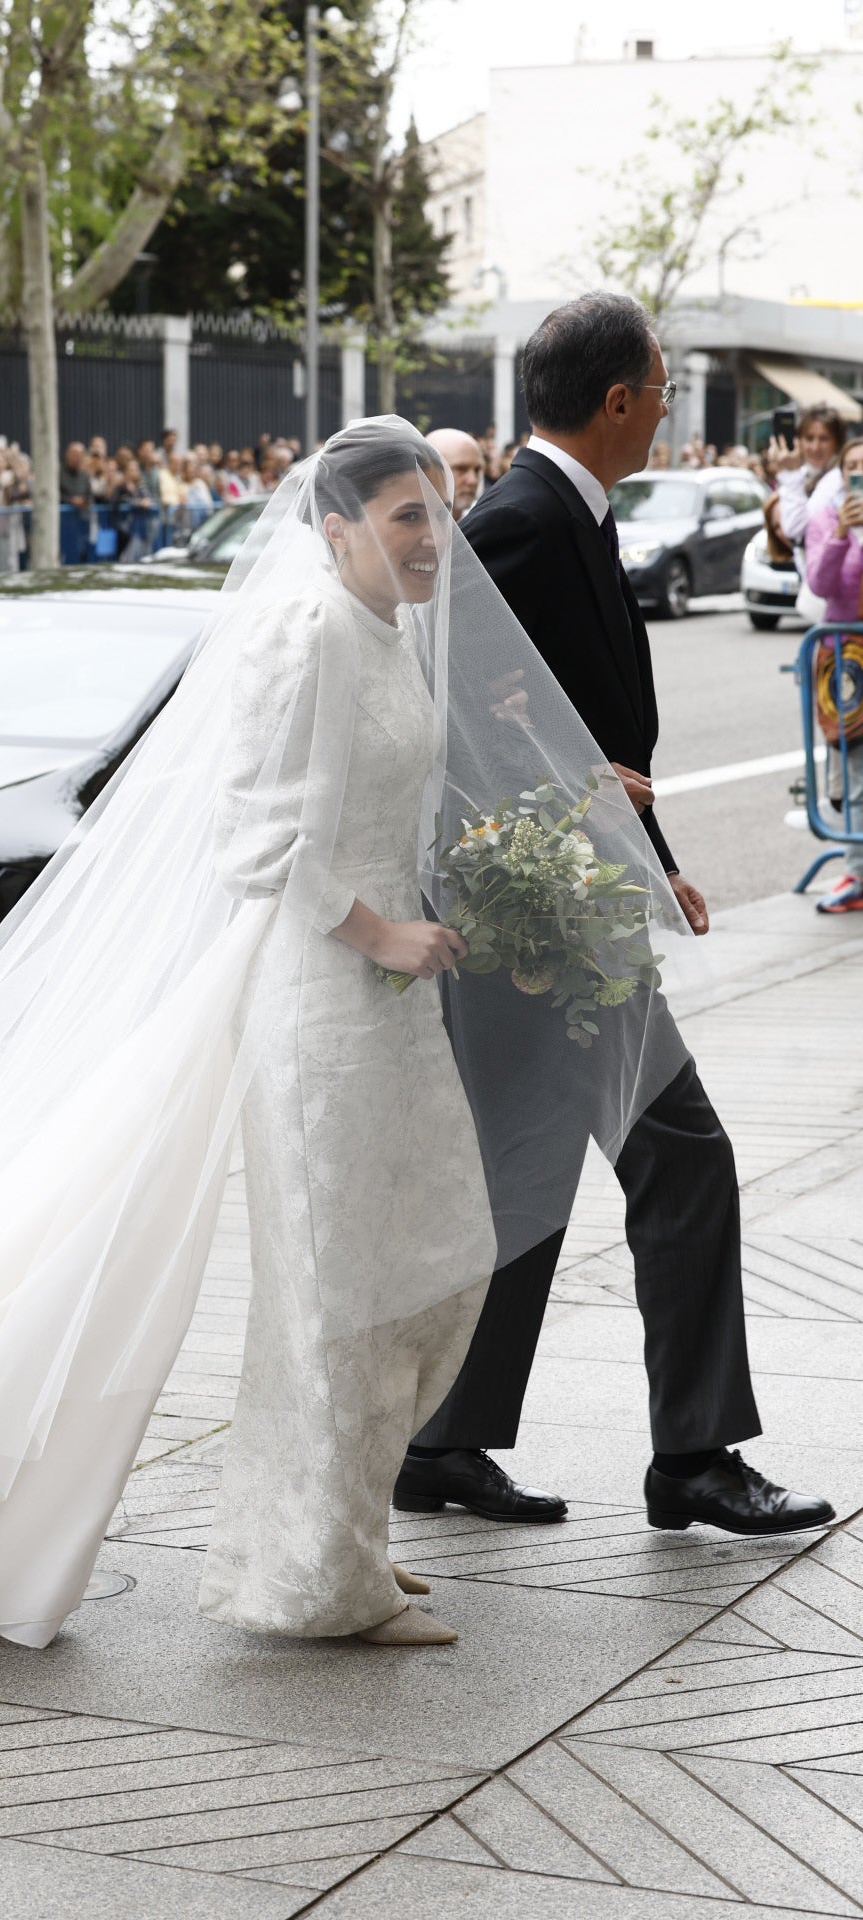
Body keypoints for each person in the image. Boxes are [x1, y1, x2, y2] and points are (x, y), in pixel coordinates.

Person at [0, 416, 710, 1750]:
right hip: (323, 1000)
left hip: (390, 1001)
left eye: (436, 513)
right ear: (335, 529)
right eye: (405, 517)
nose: (432, 539)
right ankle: (319, 1574)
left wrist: (569, 805)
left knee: (431, 1260)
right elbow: (255, 837)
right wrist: (381, 933)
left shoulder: (389, 632)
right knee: (341, 1286)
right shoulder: (303, 638)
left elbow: (415, 794)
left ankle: (333, 1531)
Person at [397, 293, 834, 1540]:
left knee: (525, 1176)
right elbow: (446, 723)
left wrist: (652, 857)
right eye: (659, 388)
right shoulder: (521, 520)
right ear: (617, 400)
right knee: (682, 1161)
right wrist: (580, 821)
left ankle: (440, 1441)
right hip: (533, 924)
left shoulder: (561, 512)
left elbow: (574, 728)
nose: (662, 409)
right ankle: (690, 1456)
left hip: (558, 907)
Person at [805, 435, 863, 914]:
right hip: (844, 658)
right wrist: (843, 533)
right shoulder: (827, 517)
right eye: (853, 467)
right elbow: (821, 584)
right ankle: (858, 873)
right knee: (855, 767)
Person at [771, 405, 847, 564]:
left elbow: (795, 528)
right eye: (809, 438)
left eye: (824, 439)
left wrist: (791, 475)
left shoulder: (839, 479)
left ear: (837, 443)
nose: (815, 447)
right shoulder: (802, 473)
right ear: (799, 441)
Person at [425, 427, 484, 520]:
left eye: (477, 470)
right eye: (461, 469)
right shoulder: (405, 525)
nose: (473, 481)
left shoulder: (484, 521)